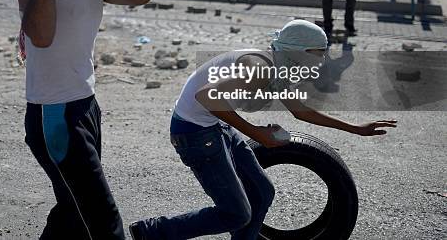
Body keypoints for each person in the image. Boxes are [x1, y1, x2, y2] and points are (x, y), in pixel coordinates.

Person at [129, 19, 397, 240]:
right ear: (298, 50)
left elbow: (301, 112)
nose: (323, 59)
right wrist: (257, 133)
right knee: (236, 214)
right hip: (194, 132)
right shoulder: (260, 68)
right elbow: (206, 96)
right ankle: (152, 231)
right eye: (319, 52)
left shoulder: (279, 69)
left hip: (213, 126)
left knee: (262, 192)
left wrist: (355, 128)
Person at [11, 0, 153, 239]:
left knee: (72, 210)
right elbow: (41, 37)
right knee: (103, 219)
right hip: (53, 115)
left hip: (86, 107)